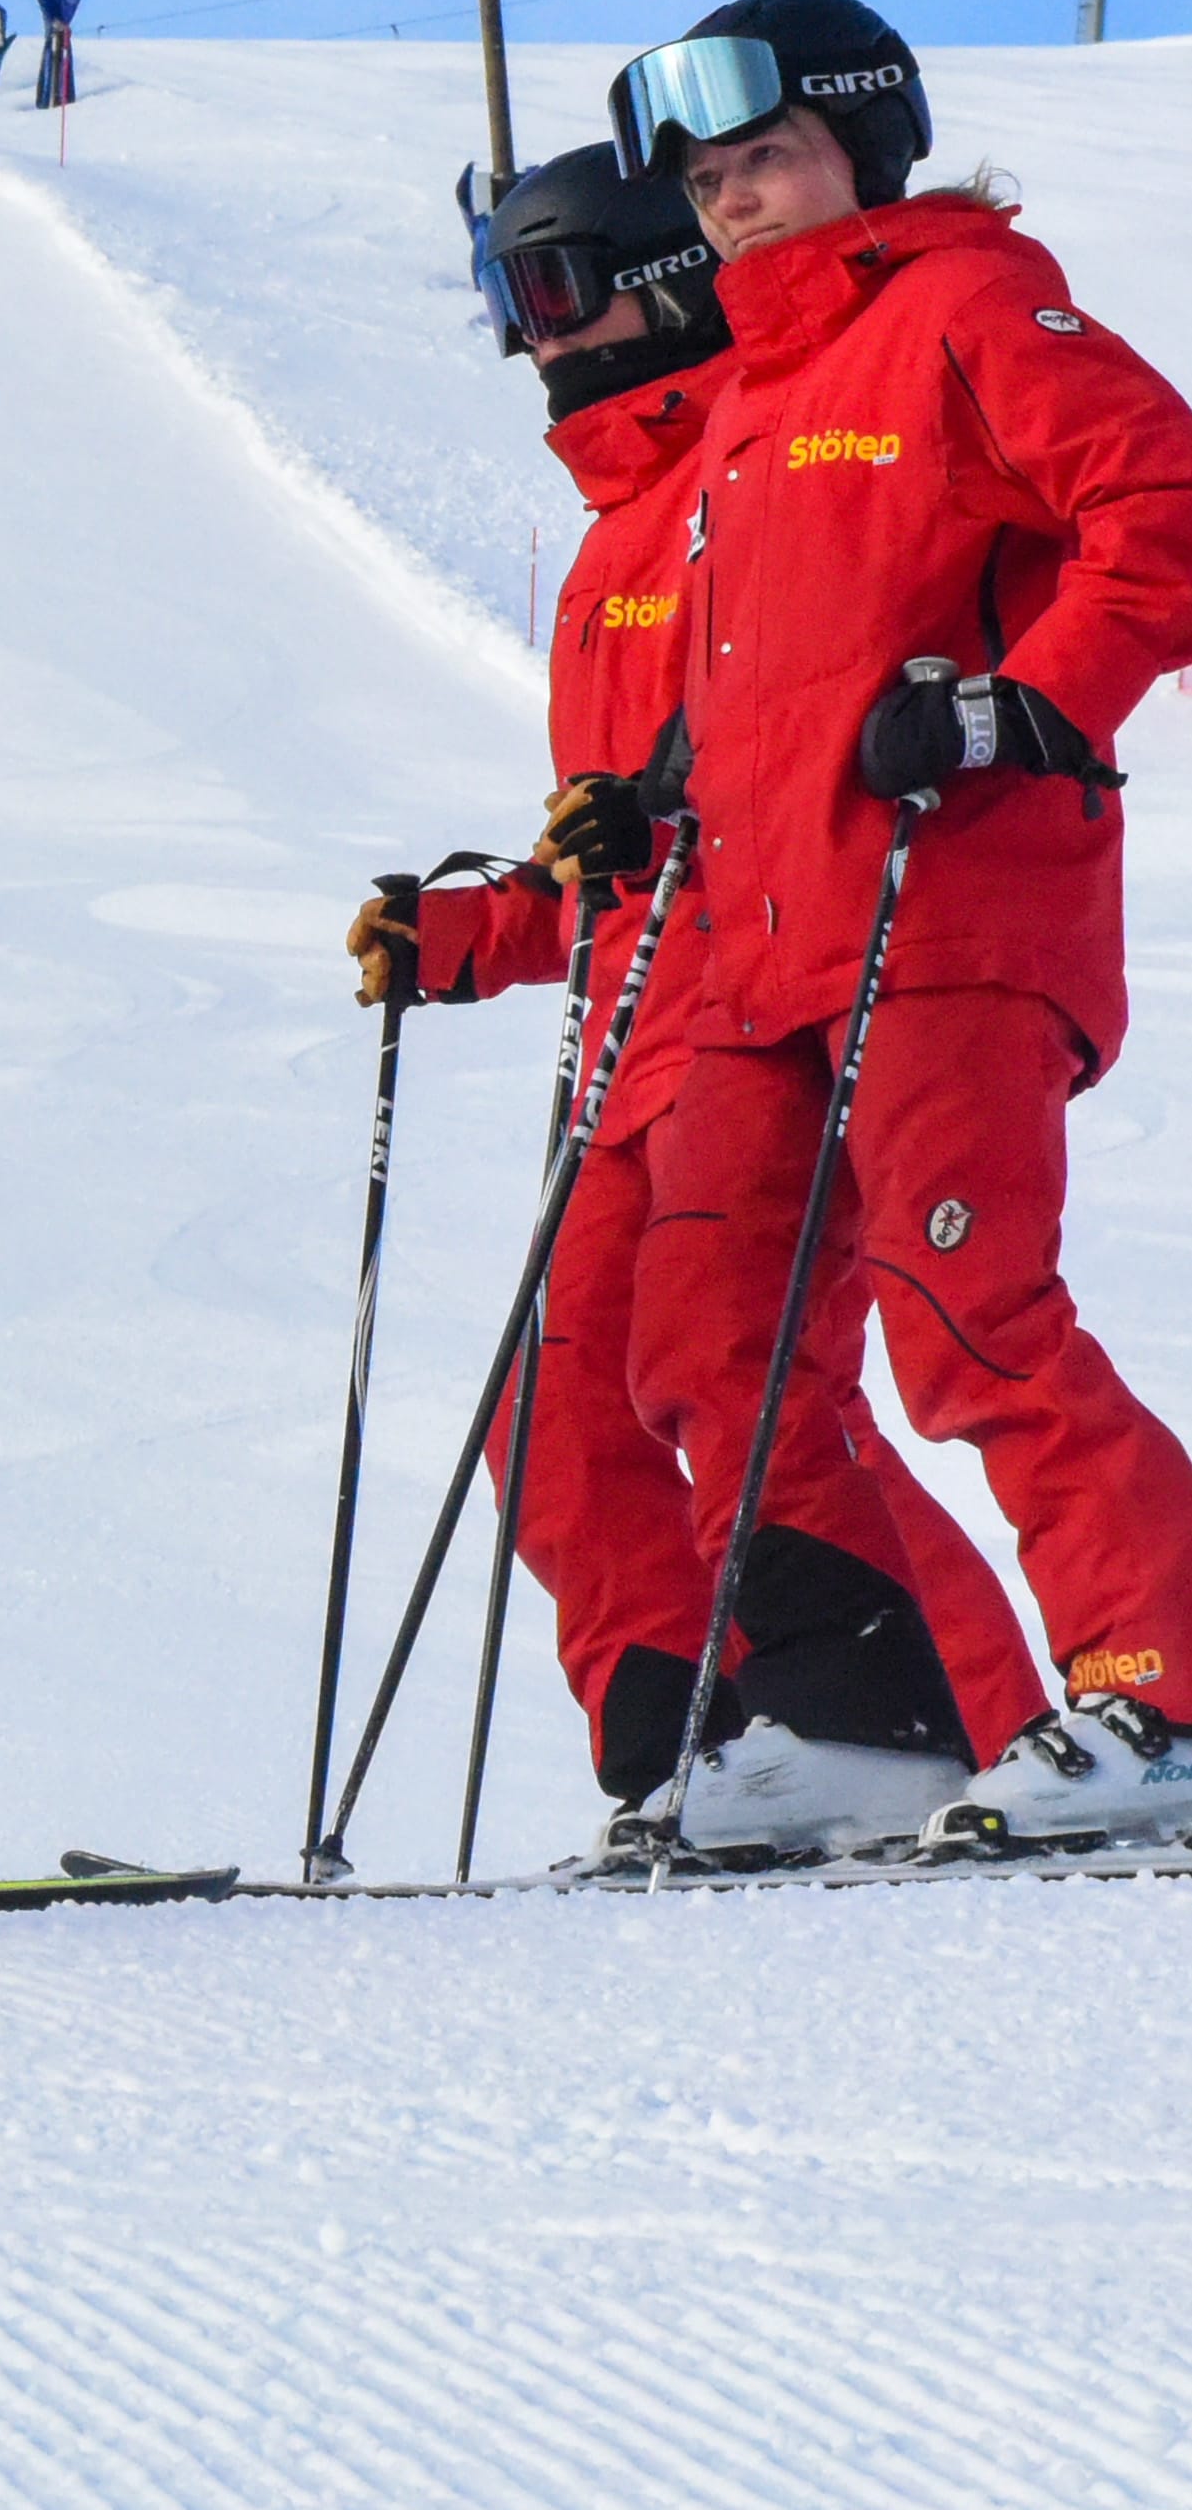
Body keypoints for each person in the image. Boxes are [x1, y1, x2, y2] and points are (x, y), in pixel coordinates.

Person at [352, 149, 1039, 1837]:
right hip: (628, 1039)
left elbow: (772, 758)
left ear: (663, 275)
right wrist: (471, 934)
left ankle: (943, 1720)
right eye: (511, 305)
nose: (539, 343)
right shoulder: (611, 553)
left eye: (561, 291)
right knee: (556, 1404)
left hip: (751, 1003)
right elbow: (612, 858)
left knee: (730, 1371)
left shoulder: (761, 465)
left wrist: (669, 816)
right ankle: (701, 1744)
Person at [601, 0, 1192, 1851]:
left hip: (951, 911)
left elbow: (1163, 496)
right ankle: (870, 1716)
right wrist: (656, 797)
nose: (732, 204)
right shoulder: (754, 407)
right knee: (708, 1344)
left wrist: (1032, 696)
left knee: (964, 1305)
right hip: (767, 955)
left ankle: (1158, 1694)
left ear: (862, 141)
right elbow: (775, 688)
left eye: (762, 157)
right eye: (704, 179)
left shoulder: (961, 307)